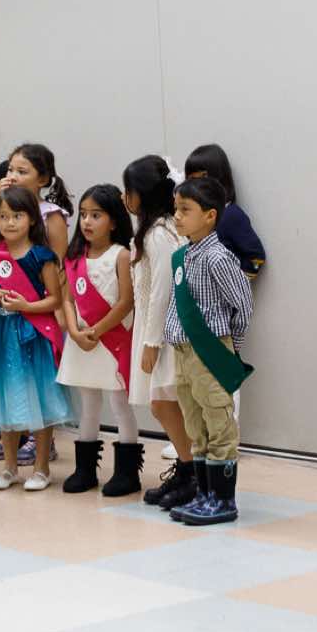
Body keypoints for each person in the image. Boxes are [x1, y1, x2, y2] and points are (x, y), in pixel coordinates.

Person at [0, 186, 75, 491]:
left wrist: (25, 306)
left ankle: (41, 468)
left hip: (31, 335)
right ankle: (9, 468)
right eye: (4, 216)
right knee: (4, 398)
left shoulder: (41, 255)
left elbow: (54, 299)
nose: (10, 223)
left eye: (17, 216)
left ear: (32, 219)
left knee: (40, 398)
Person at [165, 177, 254, 526]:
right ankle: (203, 494)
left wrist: (232, 348)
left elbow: (243, 305)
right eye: (176, 209)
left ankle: (223, 500)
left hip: (211, 348)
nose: (177, 216)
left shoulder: (219, 257)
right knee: (195, 423)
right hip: (183, 351)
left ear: (210, 215)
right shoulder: (183, 256)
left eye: (185, 210)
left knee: (218, 422)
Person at [124, 157, 198, 512]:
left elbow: (162, 289)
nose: (125, 197)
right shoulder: (157, 229)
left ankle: (192, 471)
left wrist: (151, 341)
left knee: (164, 403)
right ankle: (188, 469)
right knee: (166, 403)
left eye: (129, 190)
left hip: (166, 330)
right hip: (159, 325)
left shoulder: (158, 233)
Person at [57, 183, 140, 495]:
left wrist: (98, 330)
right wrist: (74, 331)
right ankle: (85, 470)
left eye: (96, 215)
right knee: (88, 403)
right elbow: (66, 299)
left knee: (120, 403)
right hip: (82, 340)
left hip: (111, 340)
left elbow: (126, 302)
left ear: (114, 221)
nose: (87, 222)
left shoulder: (122, 255)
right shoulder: (74, 256)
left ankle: (127, 472)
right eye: (83, 215)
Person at [183, 143, 267, 278]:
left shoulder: (230, 215)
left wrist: (238, 280)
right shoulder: (198, 216)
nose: (194, 188)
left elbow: (257, 257)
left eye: (199, 180)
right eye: (190, 181)